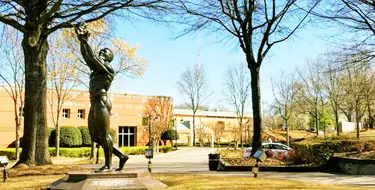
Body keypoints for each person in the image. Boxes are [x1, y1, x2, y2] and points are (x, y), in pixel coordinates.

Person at [76, 22, 128, 172]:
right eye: (102, 51)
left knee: (104, 135)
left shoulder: (108, 69)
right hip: (94, 102)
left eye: (105, 52)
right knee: (95, 137)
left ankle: (108, 165)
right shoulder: (96, 70)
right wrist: (82, 42)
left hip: (102, 101)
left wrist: (85, 41)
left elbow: (91, 57)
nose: (102, 52)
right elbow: (87, 56)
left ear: (109, 58)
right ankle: (121, 156)